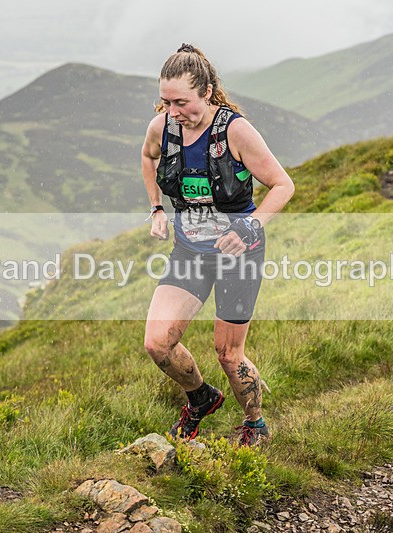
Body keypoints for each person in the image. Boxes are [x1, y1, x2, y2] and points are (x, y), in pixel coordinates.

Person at [141, 44, 295, 446]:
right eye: (165, 102)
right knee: (157, 343)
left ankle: (255, 423)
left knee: (229, 355)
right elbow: (147, 157)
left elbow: (283, 186)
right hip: (190, 252)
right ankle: (201, 399)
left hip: (237, 255)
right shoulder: (163, 127)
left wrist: (249, 228)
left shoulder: (235, 131)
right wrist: (157, 208)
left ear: (206, 92)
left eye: (181, 102)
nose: (172, 111)